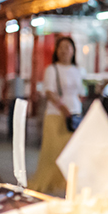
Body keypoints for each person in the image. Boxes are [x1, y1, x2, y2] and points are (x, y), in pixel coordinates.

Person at [30, 36, 86, 195]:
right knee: (52, 151)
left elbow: (80, 92)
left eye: (68, 48)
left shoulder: (77, 70)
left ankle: (65, 182)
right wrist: (63, 108)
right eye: (61, 48)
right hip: (56, 115)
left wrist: (75, 110)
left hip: (74, 115)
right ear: (57, 51)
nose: (64, 51)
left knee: (71, 152)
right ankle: (47, 181)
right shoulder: (52, 69)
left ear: (73, 51)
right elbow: (49, 92)